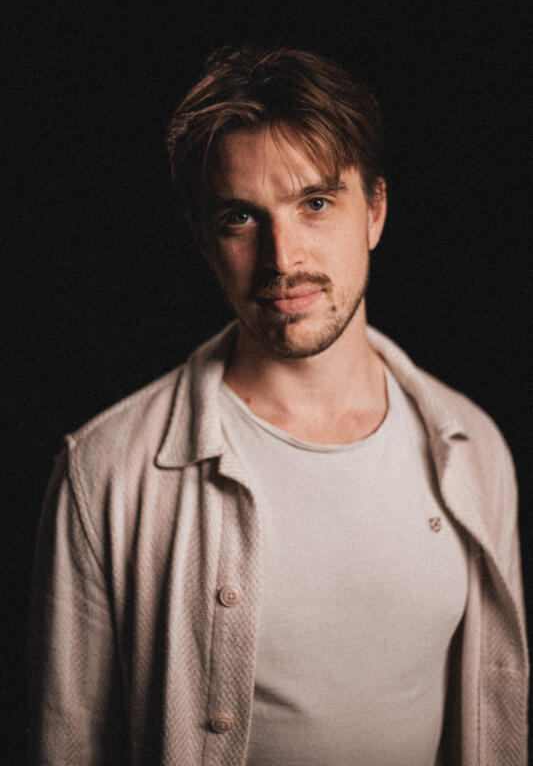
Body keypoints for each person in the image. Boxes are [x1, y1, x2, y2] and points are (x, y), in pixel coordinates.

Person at [28, 47, 528, 765]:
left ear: (375, 210)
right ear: (204, 238)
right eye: (240, 217)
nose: (282, 258)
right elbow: (65, 740)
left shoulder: (472, 449)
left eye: (315, 203)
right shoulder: (106, 471)